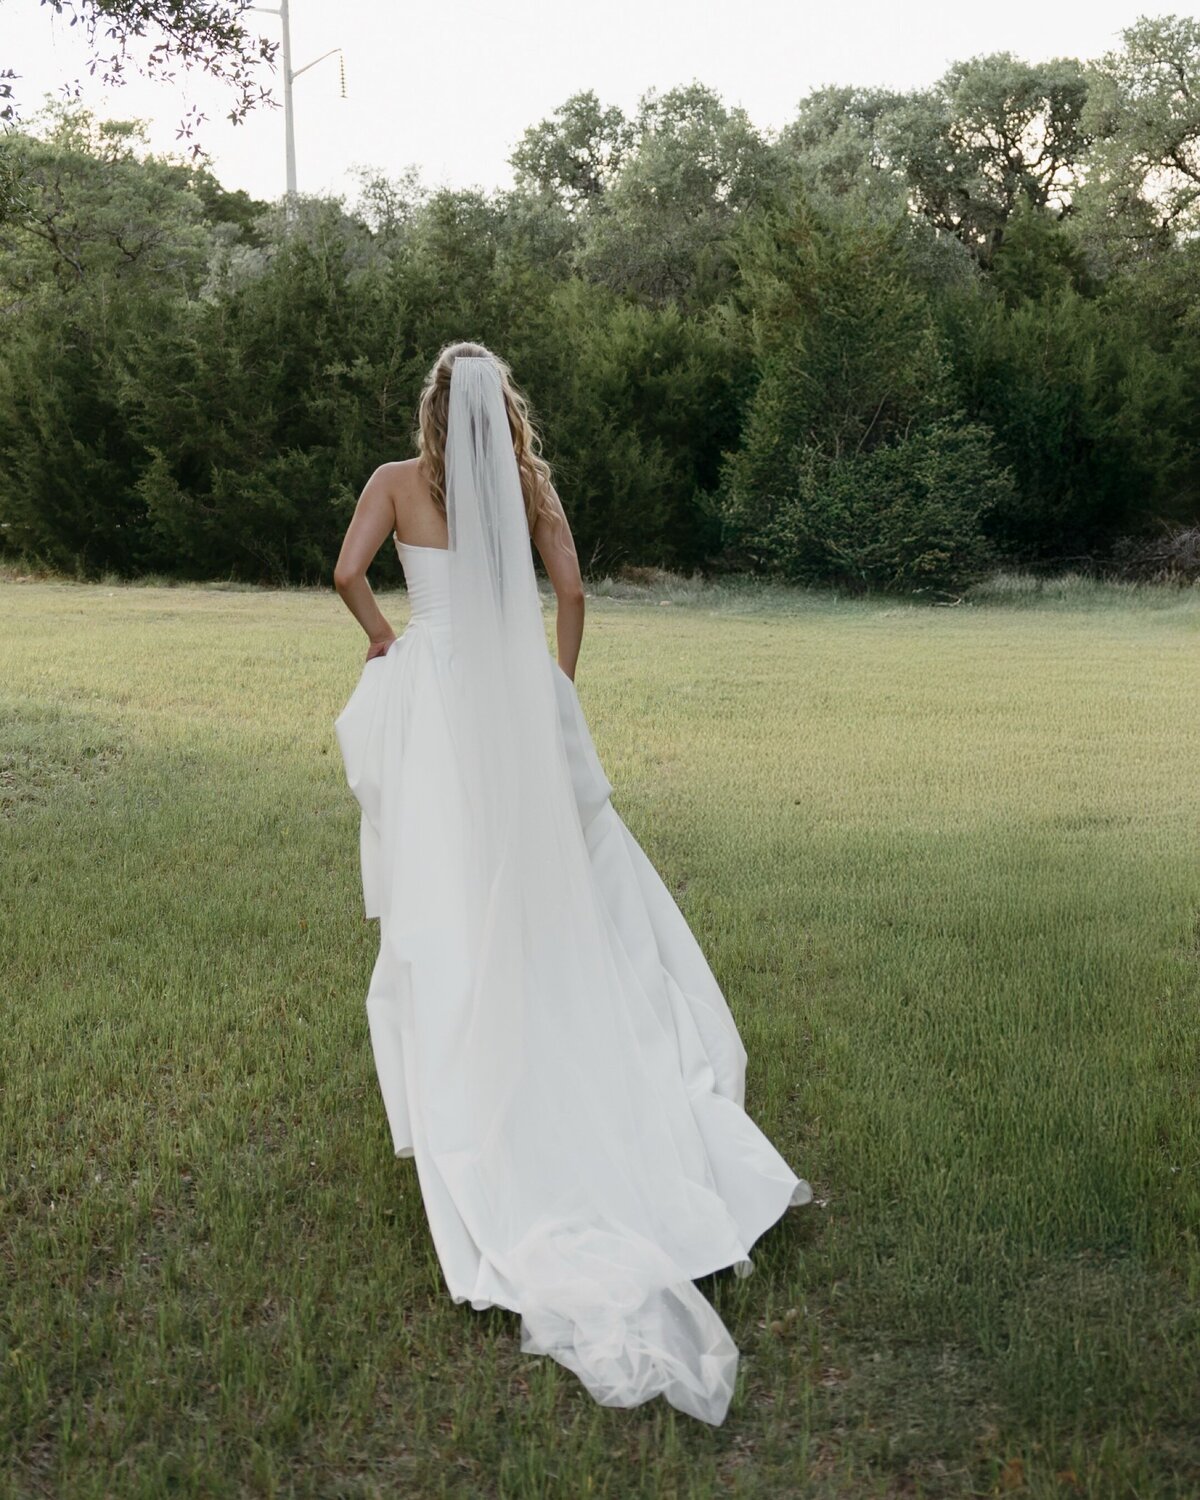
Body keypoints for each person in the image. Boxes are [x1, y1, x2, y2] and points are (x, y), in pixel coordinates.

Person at [332, 339, 812, 1425]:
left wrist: (381, 642)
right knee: (554, 891)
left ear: (431, 409)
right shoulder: (530, 485)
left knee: (447, 893)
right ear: (504, 411)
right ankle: (561, 1045)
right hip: (511, 691)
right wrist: (556, 684)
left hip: (443, 701)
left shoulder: (395, 485)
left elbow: (347, 572)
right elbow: (575, 590)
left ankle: (469, 1061)